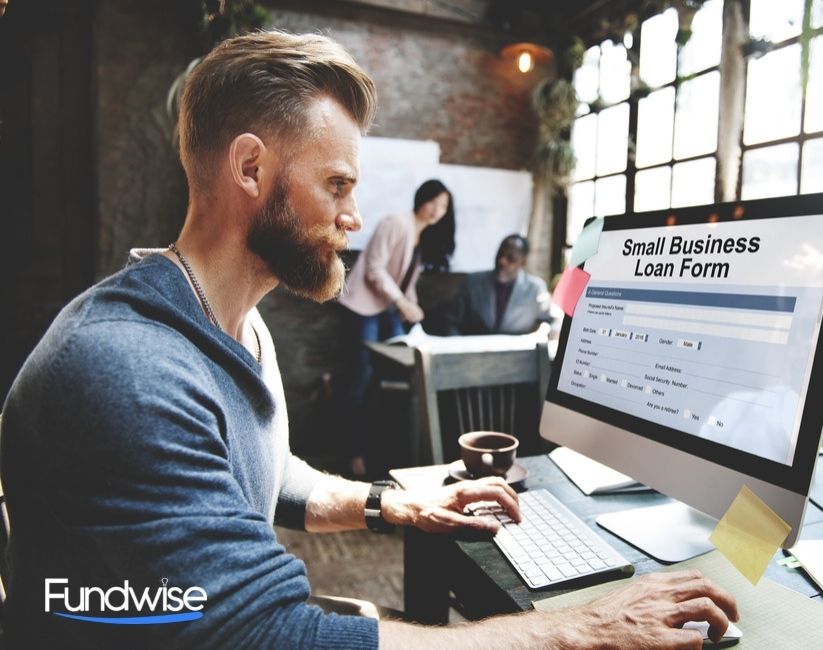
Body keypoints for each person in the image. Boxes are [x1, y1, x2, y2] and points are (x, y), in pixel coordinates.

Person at [0, 31, 738, 649]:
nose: (353, 216)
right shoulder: (128, 371)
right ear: (251, 168)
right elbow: (274, 636)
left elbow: (266, 473)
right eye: (338, 185)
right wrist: (580, 630)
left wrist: (394, 505)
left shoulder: (234, 323)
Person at [337, 179, 454, 477]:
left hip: (387, 308)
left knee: (393, 377)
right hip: (364, 306)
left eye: (443, 207)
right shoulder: (396, 223)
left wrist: (412, 309)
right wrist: (403, 303)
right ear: (421, 198)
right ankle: (353, 452)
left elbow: (406, 281)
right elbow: (374, 269)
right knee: (361, 376)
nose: (437, 211)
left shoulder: (422, 235)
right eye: (434, 202)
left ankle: (384, 451)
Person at [446, 234, 554, 336]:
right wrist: (459, 344)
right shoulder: (472, 282)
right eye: (500, 254)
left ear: (523, 263)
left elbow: (554, 319)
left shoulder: (535, 288)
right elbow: (450, 320)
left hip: (517, 353)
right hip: (474, 351)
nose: (502, 261)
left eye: (510, 258)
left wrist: (551, 331)